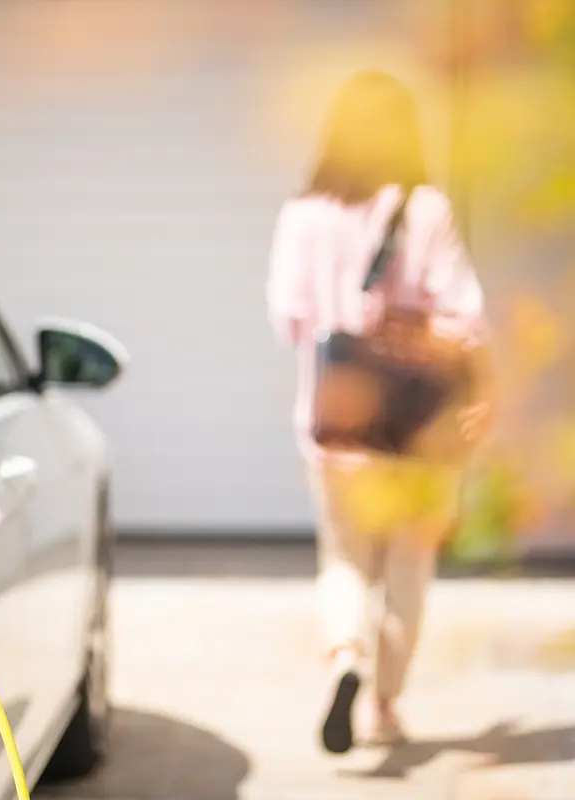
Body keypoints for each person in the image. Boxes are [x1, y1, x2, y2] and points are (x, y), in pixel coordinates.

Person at [266, 70, 494, 754]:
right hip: (416, 426)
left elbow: (288, 318)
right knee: (407, 566)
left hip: (336, 420)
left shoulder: (302, 215)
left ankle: (345, 661)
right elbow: (467, 318)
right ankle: (386, 706)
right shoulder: (425, 209)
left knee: (342, 558)